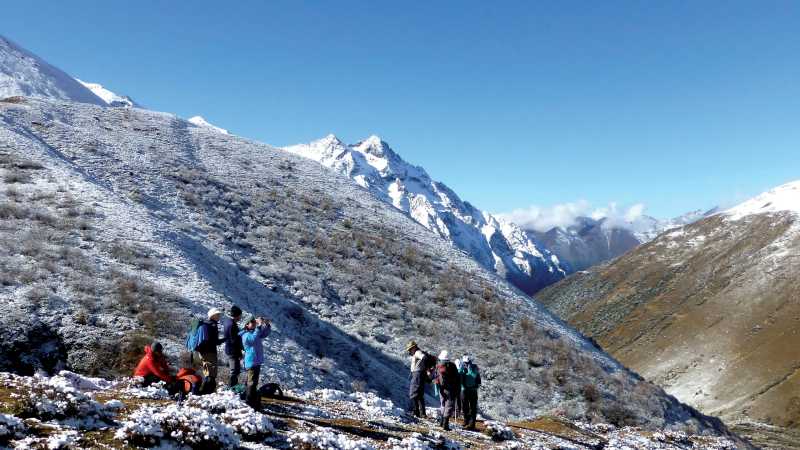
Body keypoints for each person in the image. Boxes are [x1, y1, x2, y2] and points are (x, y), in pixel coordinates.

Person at [239, 315, 272, 410]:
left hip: (256, 361)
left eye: (254, 322)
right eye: (252, 322)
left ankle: (252, 401)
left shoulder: (254, 332)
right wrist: (259, 326)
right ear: (246, 325)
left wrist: (267, 325)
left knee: (253, 383)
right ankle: (249, 403)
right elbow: (253, 340)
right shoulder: (245, 335)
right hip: (251, 361)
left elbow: (264, 334)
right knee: (251, 383)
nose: (254, 324)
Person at [432, 350, 460, 431]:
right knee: (449, 406)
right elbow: (457, 379)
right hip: (450, 390)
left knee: (443, 404)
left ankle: (441, 422)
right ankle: (445, 424)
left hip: (441, 388)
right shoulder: (452, 366)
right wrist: (457, 390)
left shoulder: (438, 365)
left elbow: (435, 376)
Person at [194, 308, 223, 380]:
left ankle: (207, 389)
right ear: (213, 315)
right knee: (211, 374)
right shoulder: (212, 325)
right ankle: (207, 390)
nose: (219, 316)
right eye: (217, 314)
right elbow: (214, 341)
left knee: (208, 373)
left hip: (203, 352)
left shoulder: (207, 324)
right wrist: (226, 339)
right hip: (209, 353)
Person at [222, 305, 244, 388]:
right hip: (233, 351)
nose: (240, 317)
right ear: (237, 315)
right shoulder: (232, 325)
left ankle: (232, 387)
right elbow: (234, 340)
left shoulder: (227, 322)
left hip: (229, 349)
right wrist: (239, 353)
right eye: (240, 315)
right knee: (234, 371)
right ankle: (232, 388)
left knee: (234, 370)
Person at [406, 340, 429, 418]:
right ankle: (422, 413)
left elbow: (424, 358)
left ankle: (416, 412)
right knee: (419, 394)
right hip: (419, 374)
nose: (409, 351)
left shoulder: (417, 353)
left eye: (410, 349)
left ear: (414, 347)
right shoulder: (417, 353)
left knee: (413, 393)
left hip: (417, 375)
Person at [459, 355, 481, 430]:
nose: (466, 363)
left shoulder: (474, 367)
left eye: (467, 362)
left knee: (473, 407)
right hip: (464, 389)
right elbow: (459, 376)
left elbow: (474, 375)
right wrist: (461, 369)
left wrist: (470, 369)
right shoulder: (462, 366)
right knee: (464, 407)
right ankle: (466, 421)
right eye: (465, 362)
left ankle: (472, 424)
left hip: (473, 390)